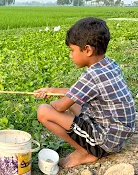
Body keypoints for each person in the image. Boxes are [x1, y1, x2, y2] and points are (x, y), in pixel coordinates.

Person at [34, 17, 136, 168]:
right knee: (72, 101)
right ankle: (88, 148)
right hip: (117, 134)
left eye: (72, 50)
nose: (70, 55)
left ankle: (84, 152)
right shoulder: (108, 64)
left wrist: (53, 103)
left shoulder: (92, 75)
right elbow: (77, 93)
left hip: (106, 140)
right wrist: (53, 91)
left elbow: (60, 107)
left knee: (44, 111)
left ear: (87, 50)